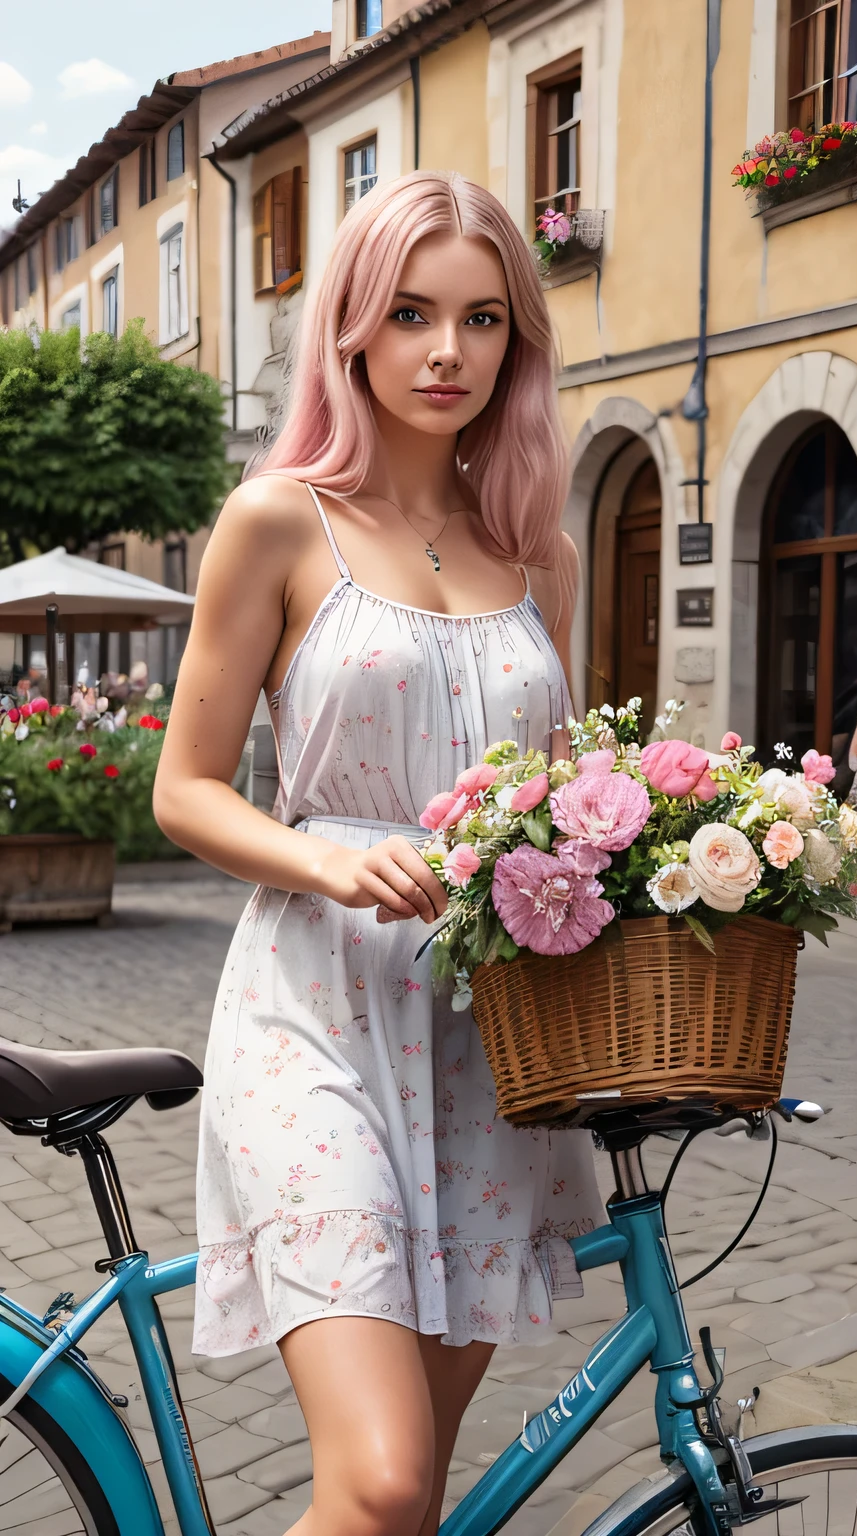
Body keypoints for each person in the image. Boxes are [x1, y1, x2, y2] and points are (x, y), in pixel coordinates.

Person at [153, 170, 602, 1536]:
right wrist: (330, 862)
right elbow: (185, 791)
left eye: (482, 320)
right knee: (383, 1472)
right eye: (411, 313)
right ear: (353, 324)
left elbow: (563, 797)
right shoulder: (280, 519)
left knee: (408, 1503)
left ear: (517, 345)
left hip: (493, 1036)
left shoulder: (544, 558)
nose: (447, 352)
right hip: (319, 1012)